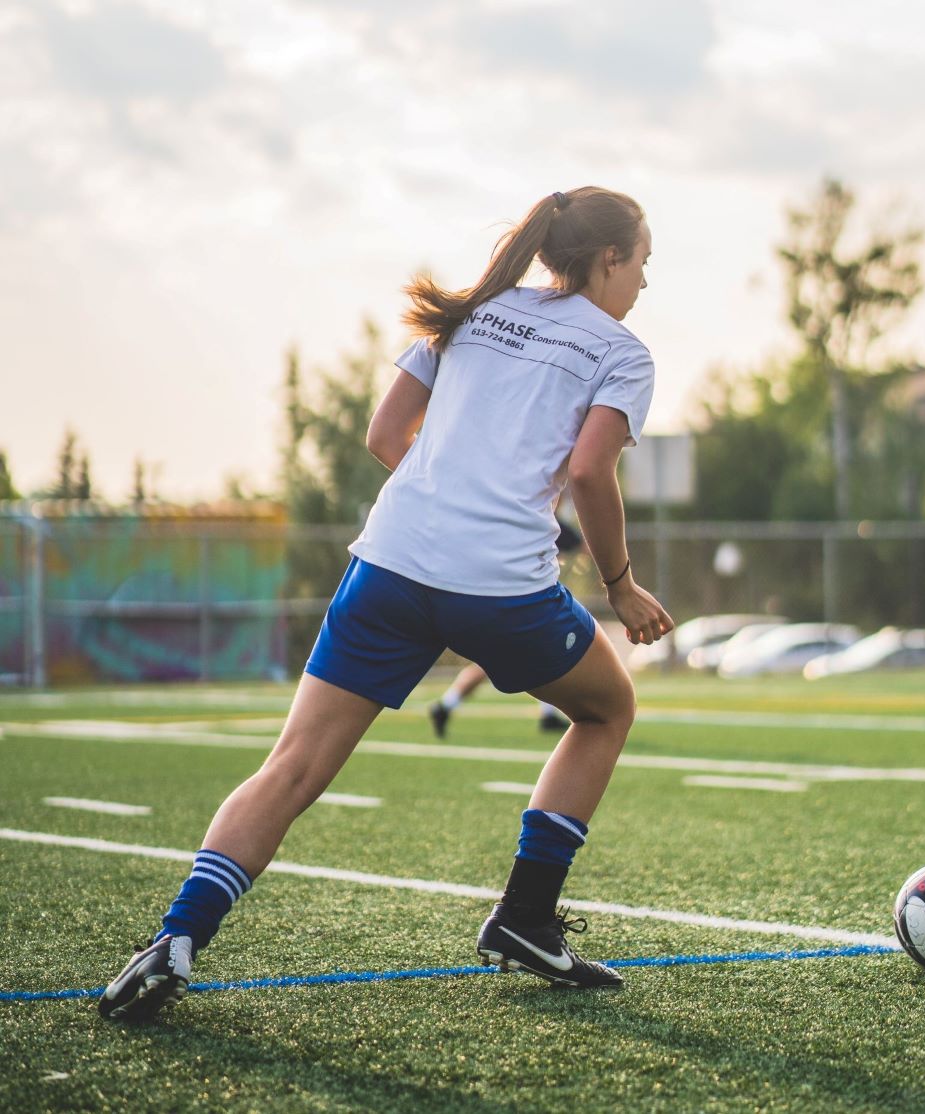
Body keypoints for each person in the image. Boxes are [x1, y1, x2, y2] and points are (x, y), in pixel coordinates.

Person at [99, 186, 673, 1021]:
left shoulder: (471, 309)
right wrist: (620, 587)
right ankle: (523, 917)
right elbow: (589, 473)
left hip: (389, 567)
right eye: (643, 264)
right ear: (609, 259)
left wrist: (444, 499)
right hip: (500, 587)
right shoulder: (622, 350)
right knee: (607, 707)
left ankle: (176, 940)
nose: (645, 284)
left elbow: (382, 438)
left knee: (289, 768)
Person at [429, 517, 583, 736]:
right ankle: (446, 705)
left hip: (497, 599)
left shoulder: (508, 517)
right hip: (515, 603)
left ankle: (447, 705)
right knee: (502, 660)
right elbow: (583, 546)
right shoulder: (536, 517)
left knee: (523, 656)